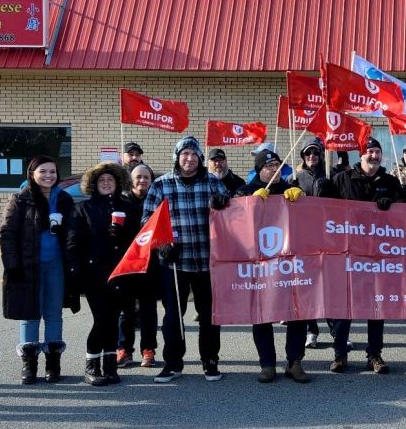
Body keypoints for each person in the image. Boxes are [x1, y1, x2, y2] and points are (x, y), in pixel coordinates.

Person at [142, 136, 230, 383]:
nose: (189, 159)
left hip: (207, 261)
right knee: (173, 316)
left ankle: (210, 360)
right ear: (177, 157)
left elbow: (231, 218)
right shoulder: (161, 185)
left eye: (193, 154)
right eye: (184, 154)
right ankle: (173, 363)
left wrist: (224, 204)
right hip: (174, 262)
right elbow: (146, 222)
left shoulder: (213, 183)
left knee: (209, 314)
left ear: (200, 158)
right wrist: (161, 245)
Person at [0, 155, 79, 385]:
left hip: (56, 264)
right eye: (42, 171)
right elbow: (7, 234)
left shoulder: (64, 199)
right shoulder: (20, 199)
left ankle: (53, 364)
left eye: (52, 172)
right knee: (29, 313)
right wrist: (12, 266)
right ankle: (29, 364)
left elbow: (73, 231)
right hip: (27, 265)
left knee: (54, 314)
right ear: (32, 174)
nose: (48, 176)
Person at [329, 137, 405, 375]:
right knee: (344, 307)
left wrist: (393, 201)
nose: (374, 156)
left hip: (378, 255)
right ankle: (340, 354)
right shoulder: (342, 179)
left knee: (376, 306)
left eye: (377, 152)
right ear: (360, 155)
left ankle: (375, 354)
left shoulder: (390, 181)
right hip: (348, 253)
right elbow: (323, 208)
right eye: (369, 152)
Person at [234, 149, 309, 383]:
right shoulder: (246, 190)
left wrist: (303, 198)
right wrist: (247, 203)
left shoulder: (289, 189)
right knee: (262, 313)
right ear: (259, 169)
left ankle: (294, 362)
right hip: (260, 265)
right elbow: (232, 220)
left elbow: (309, 220)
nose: (274, 169)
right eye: (269, 166)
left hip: (289, 264)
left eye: (277, 164)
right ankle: (267, 364)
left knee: (297, 311)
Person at [67, 162, 139, 386]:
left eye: (111, 180)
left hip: (121, 273)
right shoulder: (83, 208)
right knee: (102, 320)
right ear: (93, 184)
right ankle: (91, 366)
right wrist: (75, 270)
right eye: (101, 180)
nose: (106, 183)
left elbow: (138, 240)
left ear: (118, 183)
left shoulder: (128, 206)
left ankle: (109, 365)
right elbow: (72, 242)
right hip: (94, 274)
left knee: (114, 320)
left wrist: (124, 233)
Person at [291, 137, 337, 348]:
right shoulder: (296, 178)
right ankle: (312, 330)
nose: (312, 157)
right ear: (303, 156)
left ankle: (338, 331)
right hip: (304, 240)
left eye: (316, 153)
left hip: (328, 240)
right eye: (308, 153)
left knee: (330, 288)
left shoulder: (332, 175)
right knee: (307, 288)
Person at [116, 164, 160, 369]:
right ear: (130, 180)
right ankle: (124, 349)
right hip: (127, 263)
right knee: (125, 310)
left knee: (148, 310)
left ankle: (148, 350)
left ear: (151, 180)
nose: (142, 180)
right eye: (138, 177)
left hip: (150, 264)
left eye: (146, 177)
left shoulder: (157, 201)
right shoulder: (121, 201)